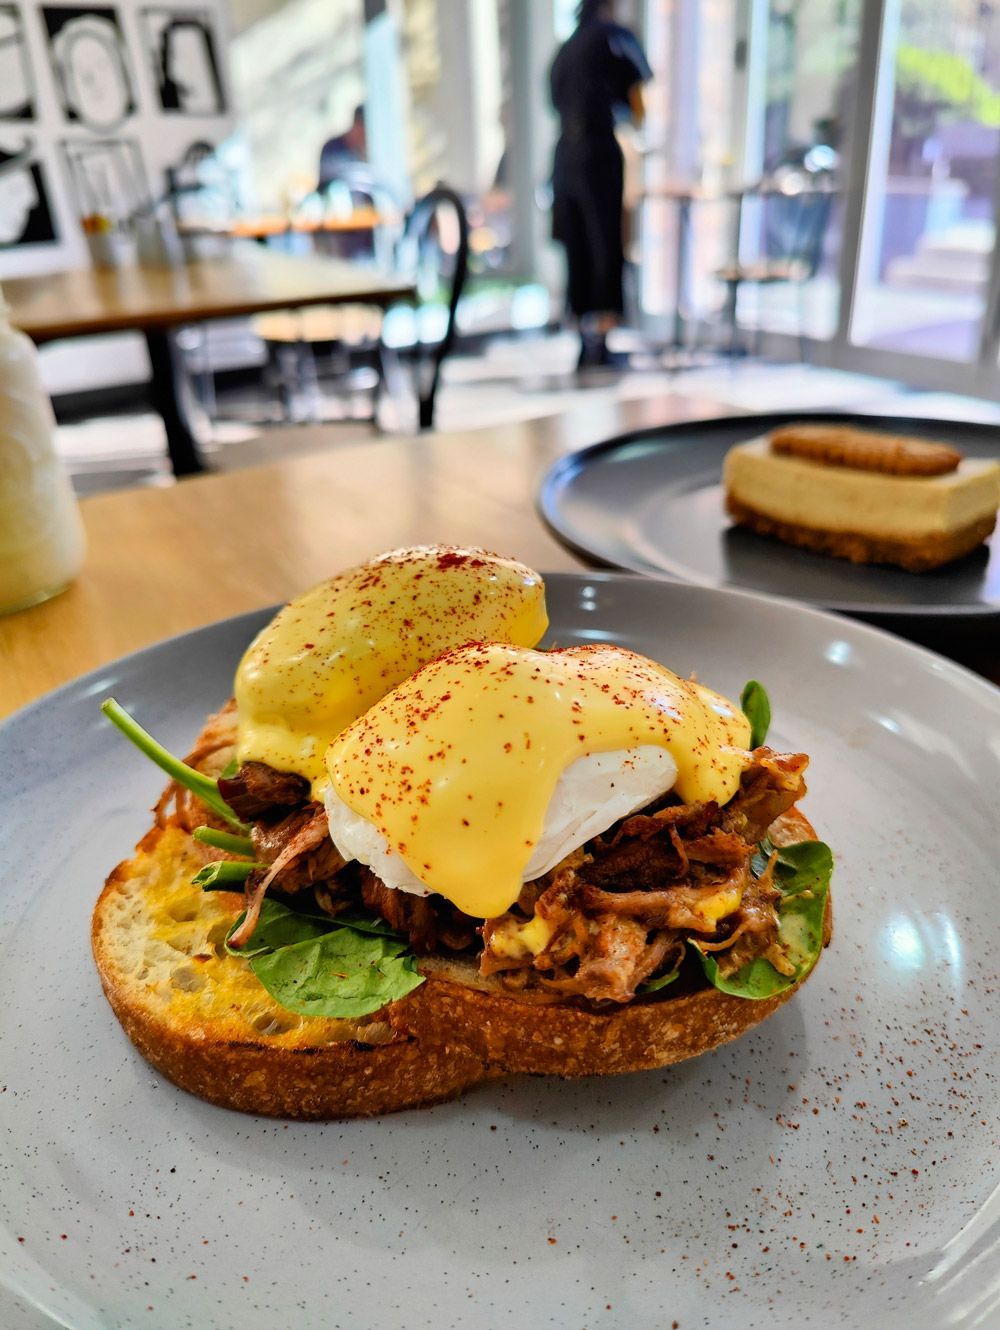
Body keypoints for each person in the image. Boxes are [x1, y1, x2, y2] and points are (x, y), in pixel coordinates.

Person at [550, 0, 651, 370]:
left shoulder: (565, 48)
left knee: (577, 247)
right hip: (597, 151)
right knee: (605, 244)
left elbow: (554, 101)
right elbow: (639, 100)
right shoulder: (615, 37)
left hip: (564, 156)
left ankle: (583, 340)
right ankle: (603, 341)